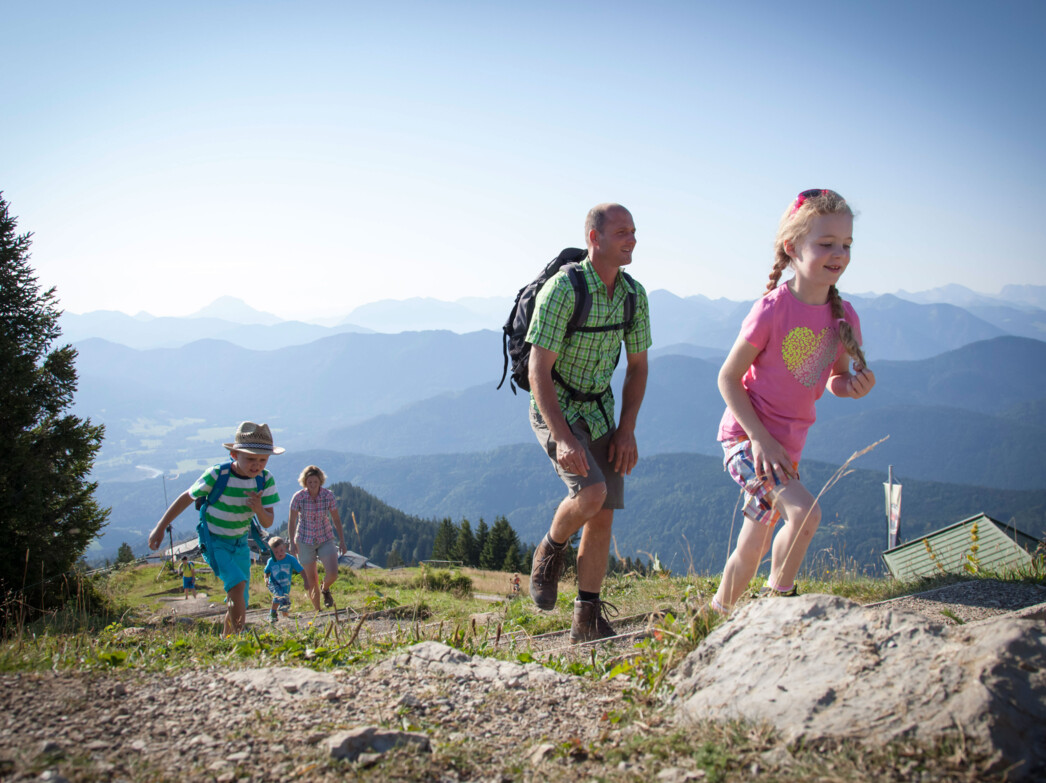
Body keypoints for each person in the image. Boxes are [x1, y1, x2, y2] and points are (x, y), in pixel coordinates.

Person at [709, 189, 876, 615]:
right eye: (826, 244)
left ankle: (714, 615)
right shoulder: (771, 310)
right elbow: (727, 379)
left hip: (784, 450)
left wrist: (851, 386)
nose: (838, 253)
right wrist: (760, 440)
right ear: (792, 247)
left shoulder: (843, 317)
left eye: (846, 245)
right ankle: (780, 603)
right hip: (749, 441)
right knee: (805, 513)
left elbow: (836, 377)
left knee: (754, 544)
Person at [526, 203, 651, 643]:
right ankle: (550, 549)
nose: (631, 239)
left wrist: (627, 429)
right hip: (555, 406)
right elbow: (537, 370)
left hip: (600, 410)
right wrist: (561, 437)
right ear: (594, 238)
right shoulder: (563, 290)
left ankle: (586, 619)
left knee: (603, 514)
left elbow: (637, 368)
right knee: (592, 492)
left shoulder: (634, 296)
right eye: (622, 232)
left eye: (633, 231)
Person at [148, 421, 283, 635]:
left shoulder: (265, 481)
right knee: (237, 586)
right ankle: (238, 641)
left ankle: (227, 639)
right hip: (214, 541)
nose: (256, 465)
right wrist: (160, 527)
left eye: (262, 460)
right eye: (250, 458)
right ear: (234, 455)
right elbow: (186, 497)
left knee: (239, 599)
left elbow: (268, 522)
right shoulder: (217, 475)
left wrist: (258, 508)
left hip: (240, 544)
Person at [288, 465, 347, 611]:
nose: (313, 485)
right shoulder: (298, 497)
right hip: (304, 539)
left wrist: (342, 541)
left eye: (315, 482)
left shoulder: (328, 496)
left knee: (333, 573)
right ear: (305, 482)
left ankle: (325, 588)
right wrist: (291, 542)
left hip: (325, 537)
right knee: (311, 578)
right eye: (310, 482)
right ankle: (317, 610)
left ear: (320, 481)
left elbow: (336, 519)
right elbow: (292, 520)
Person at [264, 536, 303, 623]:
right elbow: (266, 572)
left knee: (284, 598)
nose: (279, 554)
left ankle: (285, 616)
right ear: (272, 552)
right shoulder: (271, 561)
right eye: (276, 552)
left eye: (281, 550)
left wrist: (306, 580)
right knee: (279, 594)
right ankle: (272, 613)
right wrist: (266, 579)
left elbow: (300, 569)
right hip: (273, 583)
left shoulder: (290, 559)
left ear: (285, 547)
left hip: (285, 583)